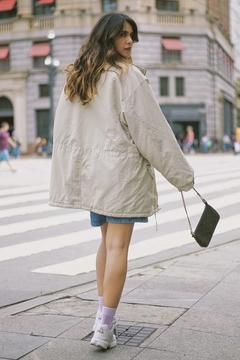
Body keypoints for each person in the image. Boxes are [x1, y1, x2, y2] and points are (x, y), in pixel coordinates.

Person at [49, 13, 194, 350]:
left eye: (132, 35)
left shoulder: (78, 77)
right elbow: (153, 132)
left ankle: (101, 319)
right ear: (106, 37)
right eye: (122, 35)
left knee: (106, 244)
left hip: (93, 177)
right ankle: (105, 327)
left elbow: (65, 133)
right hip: (120, 175)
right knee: (117, 247)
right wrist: (183, 177)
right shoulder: (127, 77)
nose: (129, 41)